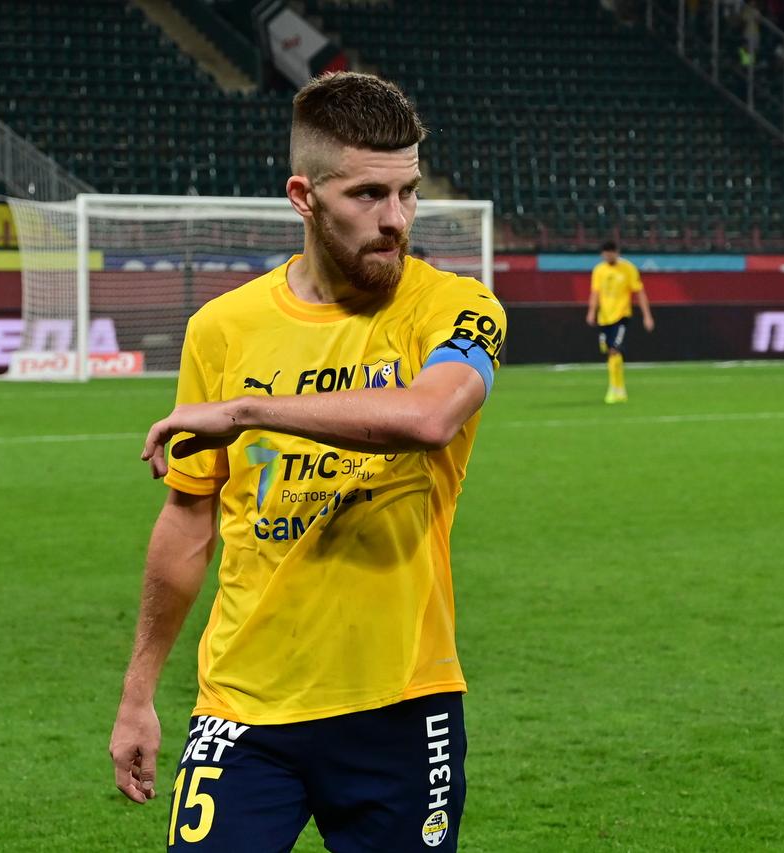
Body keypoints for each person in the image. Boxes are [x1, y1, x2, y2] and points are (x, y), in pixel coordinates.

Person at [108, 71, 506, 852]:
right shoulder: (222, 329)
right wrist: (138, 693)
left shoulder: (455, 308)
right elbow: (188, 518)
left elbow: (429, 417)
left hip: (402, 704)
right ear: (304, 196)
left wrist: (248, 410)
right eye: (368, 195)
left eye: (408, 193)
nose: (395, 220)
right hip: (243, 706)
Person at [585, 239, 654, 403]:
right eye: (606, 254)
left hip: (621, 316)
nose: (609, 256)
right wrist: (591, 312)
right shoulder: (599, 270)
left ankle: (614, 389)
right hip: (604, 317)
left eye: (611, 253)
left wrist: (647, 315)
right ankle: (619, 389)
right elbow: (595, 293)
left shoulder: (628, 269)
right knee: (608, 351)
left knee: (614, 350)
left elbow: (639, 292)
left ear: (617, 253)